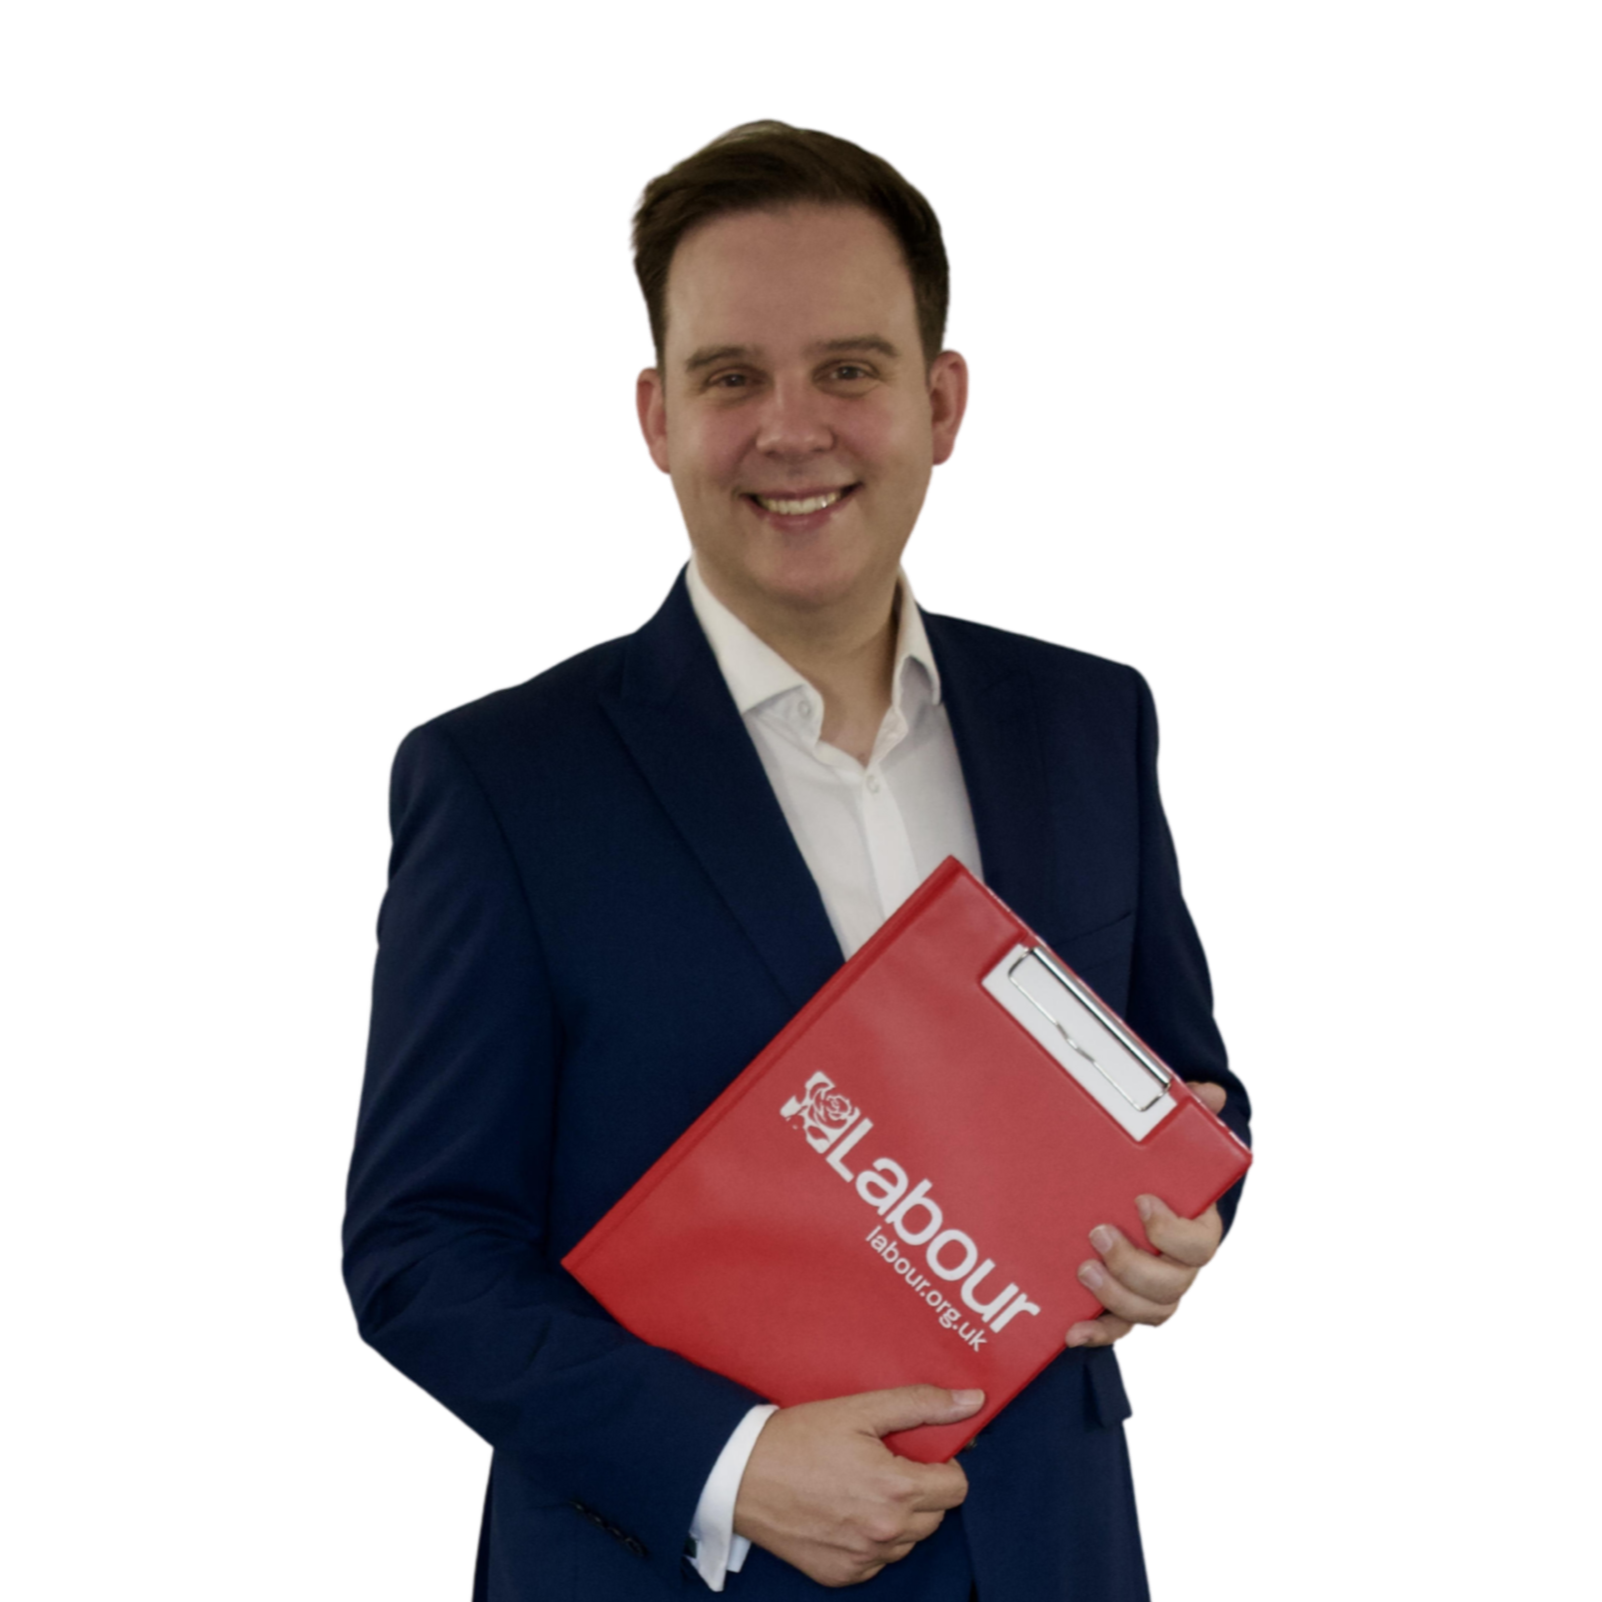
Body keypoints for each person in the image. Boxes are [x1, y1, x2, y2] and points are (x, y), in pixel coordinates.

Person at [342, 119, 1253, 1600]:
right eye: (729, 377)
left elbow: (1190, 1083)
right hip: (673, 1572)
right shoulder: (498, 777)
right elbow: (419, 1248)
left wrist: (1188, 1224)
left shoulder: (1095, 716)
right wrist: (732, 1460)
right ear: (651, 416)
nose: (792, 427)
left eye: (848, 368)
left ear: (942, 399)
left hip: (1055, 1553)